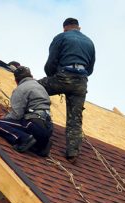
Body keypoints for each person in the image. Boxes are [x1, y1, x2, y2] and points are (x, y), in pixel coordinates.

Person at [38, 17, 95, 163]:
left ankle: (30, 119)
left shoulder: (61, 37)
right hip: (81, 82)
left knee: (34, 87)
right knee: (75, 119)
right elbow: (90, 68)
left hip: (64, 76)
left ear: (65, 28)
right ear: (79, 28)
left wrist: (53, 77)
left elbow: (51, 62)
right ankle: (72, 153)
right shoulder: (89, 42)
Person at [0, 66, 53, 156]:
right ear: (31, 76)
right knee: (31, 137)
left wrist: (5, 117)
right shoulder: (40, 87)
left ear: (16, 81)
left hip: (33, 124)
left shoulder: (21, 89)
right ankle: (42, 146)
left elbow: (16, 115)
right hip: (47, 129)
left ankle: (24, 139)